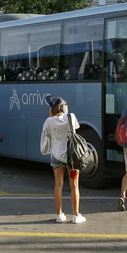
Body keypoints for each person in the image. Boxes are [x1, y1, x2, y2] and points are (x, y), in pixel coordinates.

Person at [40, 95, 86, 224]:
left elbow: (46, 136)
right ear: (62, 106)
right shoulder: (71, 117)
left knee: (58, 185)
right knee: (74, 186)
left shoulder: (48, 121)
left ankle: (59, 215)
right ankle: (76, 215)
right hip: (72, 156)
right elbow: (75, 131)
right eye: (65, 105)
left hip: (56, 155)